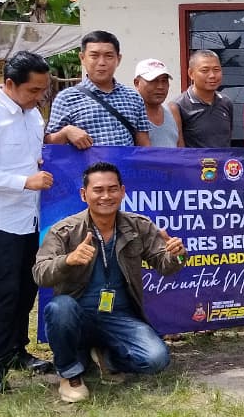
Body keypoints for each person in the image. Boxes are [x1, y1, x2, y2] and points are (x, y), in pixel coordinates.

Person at [32, 162, 187, 403]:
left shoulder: (139, 226)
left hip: (120, 316)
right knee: (59, 308)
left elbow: (164, 265)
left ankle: (107, 358)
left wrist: (177, 255)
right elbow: (40, 273)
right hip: (77, 314)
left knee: (156, 359)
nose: (106, 196)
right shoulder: (64, 231)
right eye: (98, 190)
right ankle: (70, 374)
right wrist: (68, 260)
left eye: (112, 189)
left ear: (122, 192)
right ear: (84, 194)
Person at [0, 50, 57, 394]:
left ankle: (17, 351)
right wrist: (23, 181)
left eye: (43, 90)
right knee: (4, 292)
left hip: (29, 217)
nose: (39, 97)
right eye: (33, 90)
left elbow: (31, 157)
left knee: (27, 287)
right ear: (9, 84)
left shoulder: (32, 117)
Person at [46, 30, 150, 147]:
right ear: (82, 58)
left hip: (126, 160)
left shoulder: (134, 98)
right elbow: (49, 144)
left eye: (109, 56)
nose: (101, 62)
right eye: (94, 56)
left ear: (118, 59)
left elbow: (144, 145)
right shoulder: (66, 99)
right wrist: (65, 132)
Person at [174, 49, 233, 147]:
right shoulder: (179, 106)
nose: (212, 75)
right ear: (191, 73)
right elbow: (179, 149)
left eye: (216, 70)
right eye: (205, 70)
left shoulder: (226, 102)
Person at [133, 59, 182, 147]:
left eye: (164, 81)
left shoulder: (173, 112)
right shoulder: (131, 116)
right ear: (137, 83)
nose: (160, 87)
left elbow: (181, 151)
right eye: (153, 81)